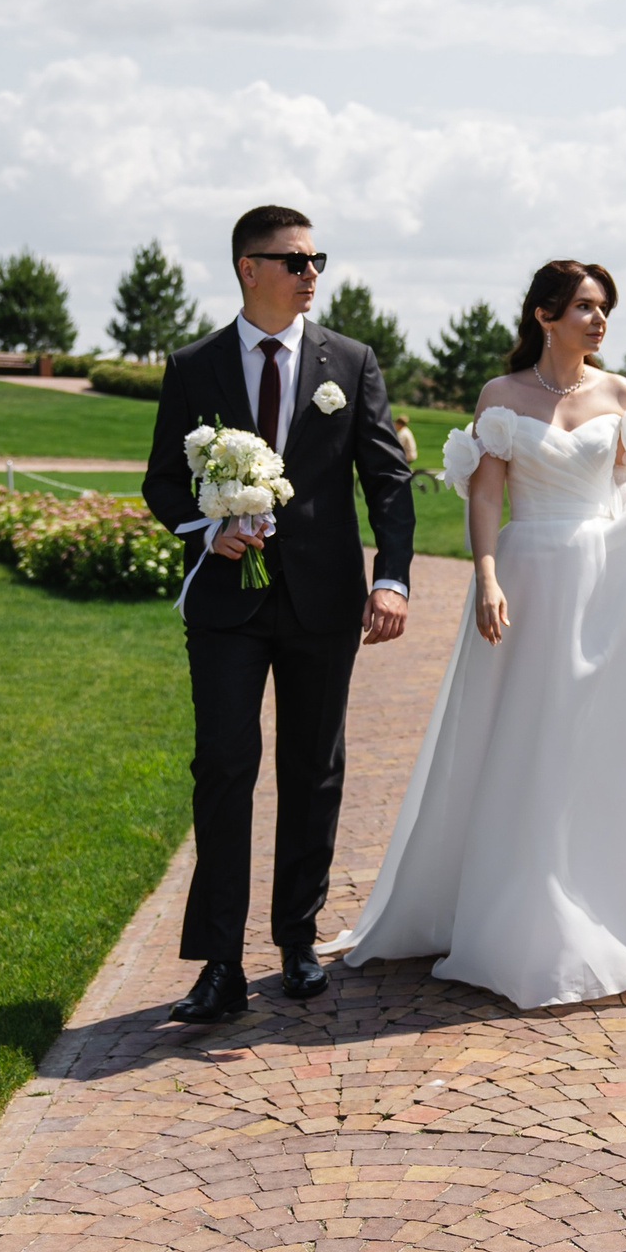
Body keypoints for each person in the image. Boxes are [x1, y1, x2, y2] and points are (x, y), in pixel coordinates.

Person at [337, 260, 626, 1009]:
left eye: (604, 309)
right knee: (522, 736)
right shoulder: (502, 397)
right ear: (543, 316)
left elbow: (621, 491)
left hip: (603, 586)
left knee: (592, 742)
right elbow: (486, 495)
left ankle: (602, 899)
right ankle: (512, 908)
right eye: (585, 308)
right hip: (526, 580)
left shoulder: (619, 394)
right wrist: (485, 577)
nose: (598, 321)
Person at [140, 205, 416, 1022]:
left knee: (313, 769)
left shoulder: (351, 362)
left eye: (316, 260)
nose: (310, 275)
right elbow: (162, 480)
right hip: (225, 605)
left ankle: (296, 938)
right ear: (247, 268)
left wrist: (392, 578)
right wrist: (208, 526)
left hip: (323, 603)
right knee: (223, 767)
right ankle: (218, 962)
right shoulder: (193, 365)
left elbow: (388, 484)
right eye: (294, 260)